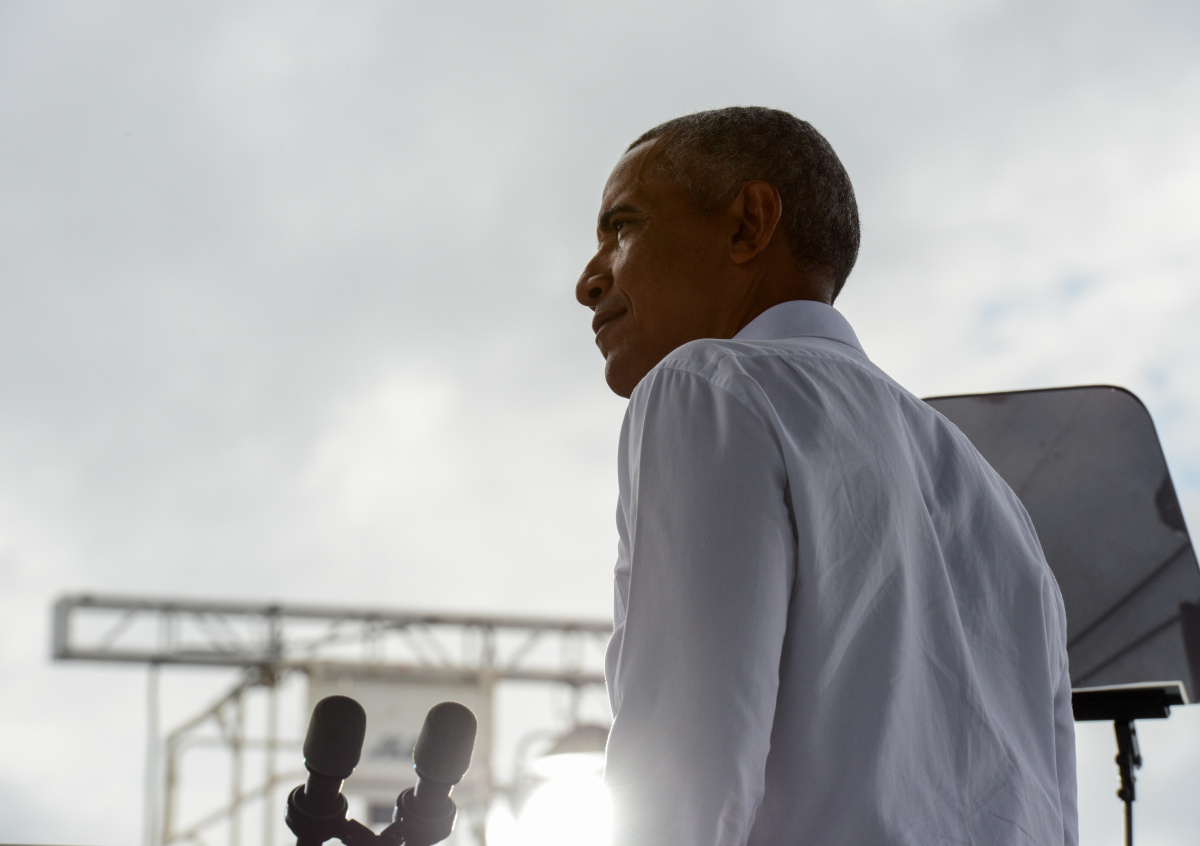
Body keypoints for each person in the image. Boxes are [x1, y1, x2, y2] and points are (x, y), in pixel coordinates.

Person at [575, 107, 1077, 846]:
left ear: (748, 224)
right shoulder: (996, 500)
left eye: (622, 228)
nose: (588, 282)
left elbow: (683, 787)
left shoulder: (708, 385)